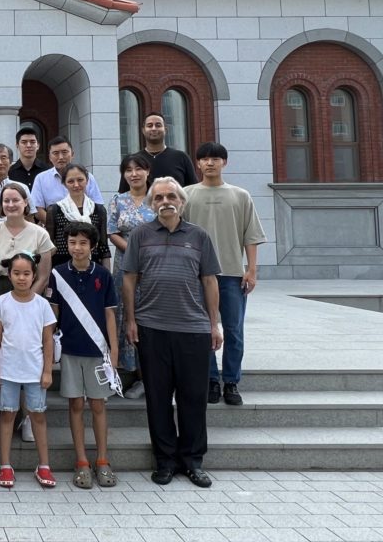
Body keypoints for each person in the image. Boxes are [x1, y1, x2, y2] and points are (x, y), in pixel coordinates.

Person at [122, 177, 223, 488]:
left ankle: (193, 461)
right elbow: (129, 279)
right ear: (152, 204)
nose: (165, 201)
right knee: (158, 398)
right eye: (159, 197)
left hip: (193, 328)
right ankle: (165, 461)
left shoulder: (199, 236)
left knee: (194, 397)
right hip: (152, 328)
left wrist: (214, 322)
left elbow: (209, 280)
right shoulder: (140, 235)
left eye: (171, 197)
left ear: (182, 202)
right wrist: (131, 320)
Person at [182, 142, 266, 406]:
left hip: (231, 274)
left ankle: (231, 381)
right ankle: (210, 380)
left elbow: (250, 236)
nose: (210, 163)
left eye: (215, 159)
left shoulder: (240, 195)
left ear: (224, 163)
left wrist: (251, 270)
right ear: (197, 163)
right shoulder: (186, 195)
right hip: (196, 275)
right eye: (204, 159)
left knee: (234, 330)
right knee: (203, 329)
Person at [0, 183, 54, 443]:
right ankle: (5, 412)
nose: (11, 204)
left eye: (16, 200)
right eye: (6, 200)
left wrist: (27, 297)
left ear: (25, 203)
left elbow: (43, 273)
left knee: (27, 352)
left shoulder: (39, 233)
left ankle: (29, 415)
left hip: (31, 296)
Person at [45, 221, 118, 490]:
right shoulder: (57, 274)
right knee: (75, 405)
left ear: (93, 246)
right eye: (73, 242)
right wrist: (49, 347)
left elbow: (110, 314)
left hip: (98, 351)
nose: (77, 248)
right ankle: (81, 461)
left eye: (83, 243)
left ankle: (102, 460)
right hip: (70, 351)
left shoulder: (104, 275)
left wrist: (114, 350)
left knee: (98, 405)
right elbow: (52, 315)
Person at [0, 252, 56, 489]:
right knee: (7, 415)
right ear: (9, 275)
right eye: (16, 273)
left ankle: (44, 464)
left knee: (37, 415)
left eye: (26, 273)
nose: (21, 278)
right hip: (8, 370)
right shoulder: (2, 303)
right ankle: (5, 465)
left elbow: (48, 340)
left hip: (35, 371)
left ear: (34, 275)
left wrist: (48, 370)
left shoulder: (42, 305)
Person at [107, 153, 155, 399]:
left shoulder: (158, 197)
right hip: (125, 266)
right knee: (126, 315)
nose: (133, 174)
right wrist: (133, 251)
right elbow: (112, 231)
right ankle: (130, 373)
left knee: (149, 317)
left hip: (154, 267)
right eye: (128, 170)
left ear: (148, 171)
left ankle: (149, 377)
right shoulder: (118, 200)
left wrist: (146, 252)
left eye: (138, 169)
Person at [45, 164, 111, 270]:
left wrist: (107, 277)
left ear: (87, 180)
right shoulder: (55, 210)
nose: (76, 185)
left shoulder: (99, 210)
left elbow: (103, 248)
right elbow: (49, 247)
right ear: (64, 183)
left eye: (80, 180)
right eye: (71, 181)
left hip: (93, 268)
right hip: (62, 268)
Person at [118, 112, 197, 193]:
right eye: (149, 125)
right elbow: (123, 193)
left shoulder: (181, 157)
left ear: (165, 129)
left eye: (158, 125)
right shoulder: (133, 161)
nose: (154, 128)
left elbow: (193, 191)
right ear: (143, 130)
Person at [31, 137, 104, 222]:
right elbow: (37, 210)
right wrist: (57, 225)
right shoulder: (41, 178)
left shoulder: (87, 176)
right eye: (55, 153)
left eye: (64, 152)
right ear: (50, 157)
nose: (61, 157)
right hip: (54, 230)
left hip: (86, 228)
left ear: (72, 154)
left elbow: (98, 206)